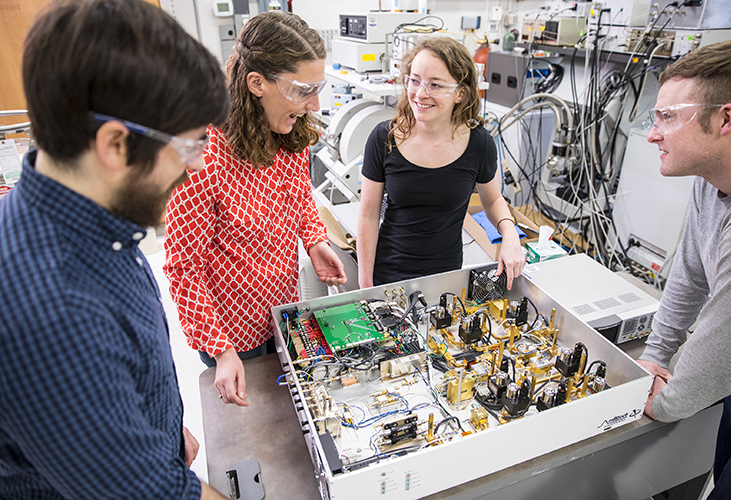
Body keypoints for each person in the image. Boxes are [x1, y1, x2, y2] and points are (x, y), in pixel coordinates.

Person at [0, 0, 230, 498]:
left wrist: (157, 429)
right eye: (189, 146)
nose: (195, 169)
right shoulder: (55, 310)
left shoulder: (92, 215)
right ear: (115, 144)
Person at [164, 11, 347, 407]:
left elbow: (297, 194)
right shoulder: (201, 158)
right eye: (303, 89)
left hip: (282, 314)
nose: (314, 103)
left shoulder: (289, 131)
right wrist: (220, 349)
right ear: (256, 83)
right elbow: (183, 270)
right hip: (230, 337)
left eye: (319, 88)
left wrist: (314, 240)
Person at [638, 38, 731, 499]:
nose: (652, 133)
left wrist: (658, 403)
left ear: (725, 119)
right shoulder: (712, 180)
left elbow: (726, 340)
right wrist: (654, 357)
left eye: (668, 117)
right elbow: (688, 276)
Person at [357, 36, 526, 288]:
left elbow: (492, 200)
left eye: (435, 85)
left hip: (446, 277)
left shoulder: (479, 144)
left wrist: (510, 233)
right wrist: (366, 284)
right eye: (414, 80)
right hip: (388, 274)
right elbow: (369, 215)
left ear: (460, 93)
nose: (420, 94)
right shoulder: (385, 138)